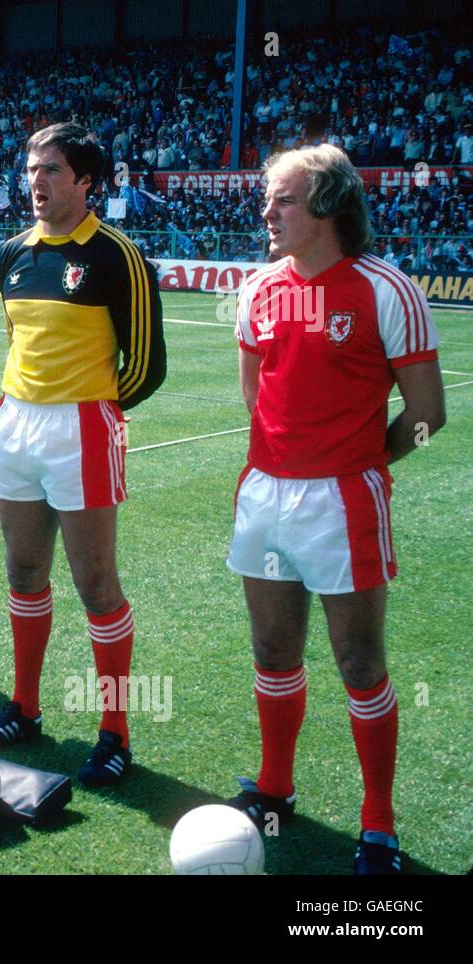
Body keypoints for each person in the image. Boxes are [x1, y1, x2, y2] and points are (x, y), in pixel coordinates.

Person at [224, 144, 445, 874]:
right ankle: (275, 787)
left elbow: (427, 414)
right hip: (265, 493)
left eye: (282, 199)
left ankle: (377, 824)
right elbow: (256, 394)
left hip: (346, 496)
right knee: (272, 652)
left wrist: (364, 459)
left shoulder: (388, 290)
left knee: (358, 662)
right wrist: (286, 461)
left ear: (325, 205)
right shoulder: (259, 289)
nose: (267, 210)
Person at [0, 122, 165, 791]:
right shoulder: (11, 253)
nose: (37, 182)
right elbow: (17, 338)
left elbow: (146, 364)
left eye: (52, 170)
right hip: (15, 422)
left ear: (87, 182)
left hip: (83, 426)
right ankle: (25, 708)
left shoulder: (117, 256)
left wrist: (96, 409)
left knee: (94, 584)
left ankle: (115, 733)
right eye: (30, 169)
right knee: (24, 571)